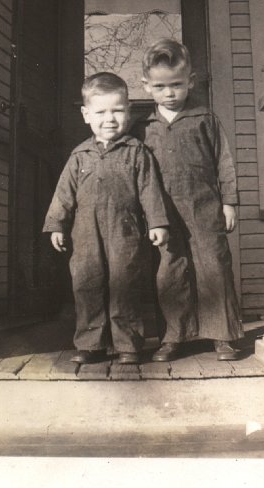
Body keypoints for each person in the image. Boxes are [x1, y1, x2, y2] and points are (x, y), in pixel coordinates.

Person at [43, 72, 169, 365]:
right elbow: (64, 195)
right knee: (87, 284)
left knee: (125, 284)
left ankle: (129, 345)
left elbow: (150, 190)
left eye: (117, 110)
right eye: (101, 112)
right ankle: (91, 344)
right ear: (87, 115)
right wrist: (56, 226)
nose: (109, 118)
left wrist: (158, 222)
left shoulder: (137, 152)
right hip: (84, 233)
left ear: (128, 111)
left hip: (125, 231)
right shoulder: (79, 155)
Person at [136, 38, 244, 361]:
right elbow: (137, 171)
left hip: (205, 207)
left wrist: (229, 202)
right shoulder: (143, 127)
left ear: (190, 82)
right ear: (146, 86)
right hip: (163, 212)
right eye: (160, 86)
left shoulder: (205, 119)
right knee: (169, 271)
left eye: (177, 85)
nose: (169, 93)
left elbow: (224, 160)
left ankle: (222, 334)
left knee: (213, 266)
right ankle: (174, 336)